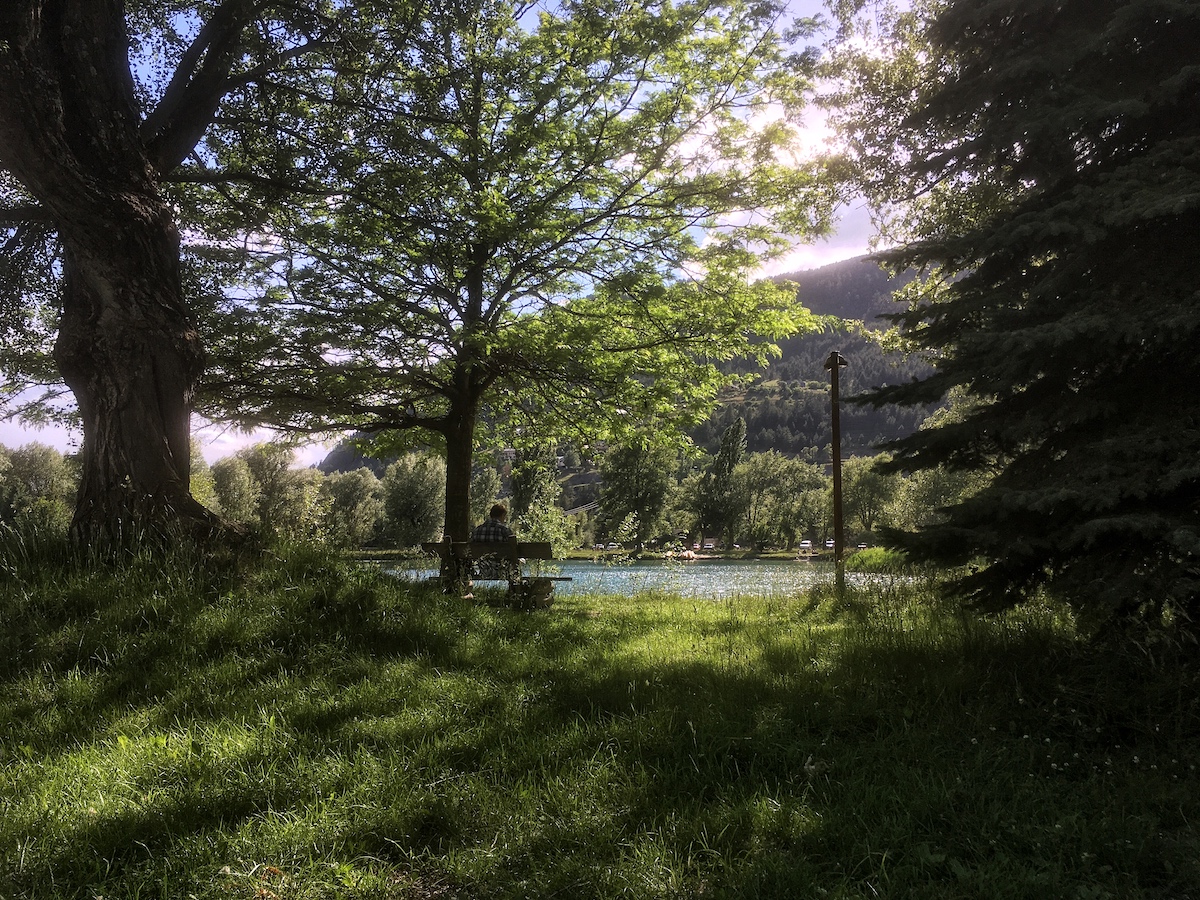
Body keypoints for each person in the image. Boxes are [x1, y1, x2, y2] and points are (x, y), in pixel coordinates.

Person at [471, 503, 519, 583]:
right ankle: (513, 590)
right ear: (503, 515)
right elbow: (514, 550)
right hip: (502, 570)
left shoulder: (477, 530)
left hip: (483, 569)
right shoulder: (504, 530)